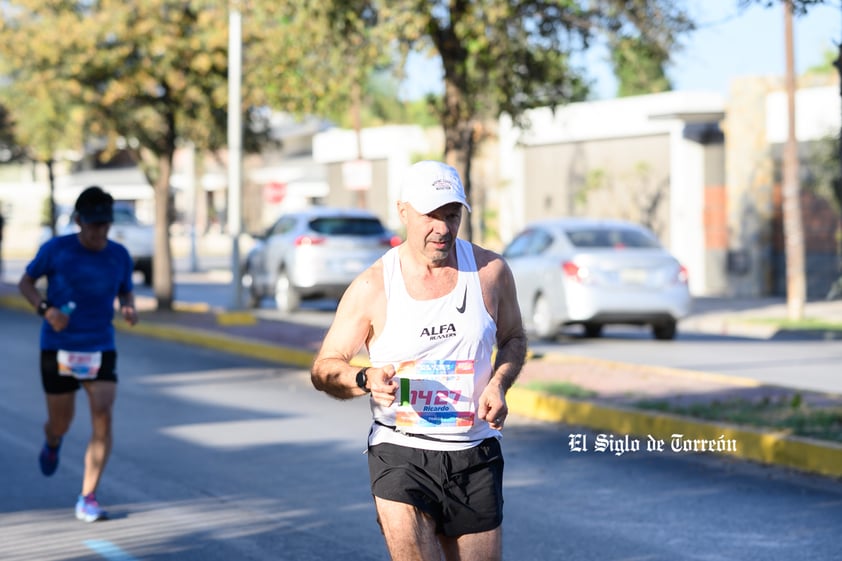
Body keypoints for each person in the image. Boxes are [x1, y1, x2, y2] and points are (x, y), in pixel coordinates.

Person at [311, 160, 527, 561]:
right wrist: (364, 378)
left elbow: (513, 338)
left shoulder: (490, 272)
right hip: (401, 450)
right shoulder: (374, 285)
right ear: (403, 211)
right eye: (430, 215)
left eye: (452, 215)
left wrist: (498, 383)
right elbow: (325, 367)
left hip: (474, 450)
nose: (442, 228)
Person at [18, 185, 138, 523]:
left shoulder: (119, 255)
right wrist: (46, 309)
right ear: (78, 221)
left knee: (103, 414)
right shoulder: (56, 250)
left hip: (100, 346)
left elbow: (125, 290)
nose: (100, 232)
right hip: (58, 347)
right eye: (93, 225)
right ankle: (53, 440)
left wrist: (128, 307)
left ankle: (88, 496)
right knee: (62, 421)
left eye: (105, 225)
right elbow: (26, 282)